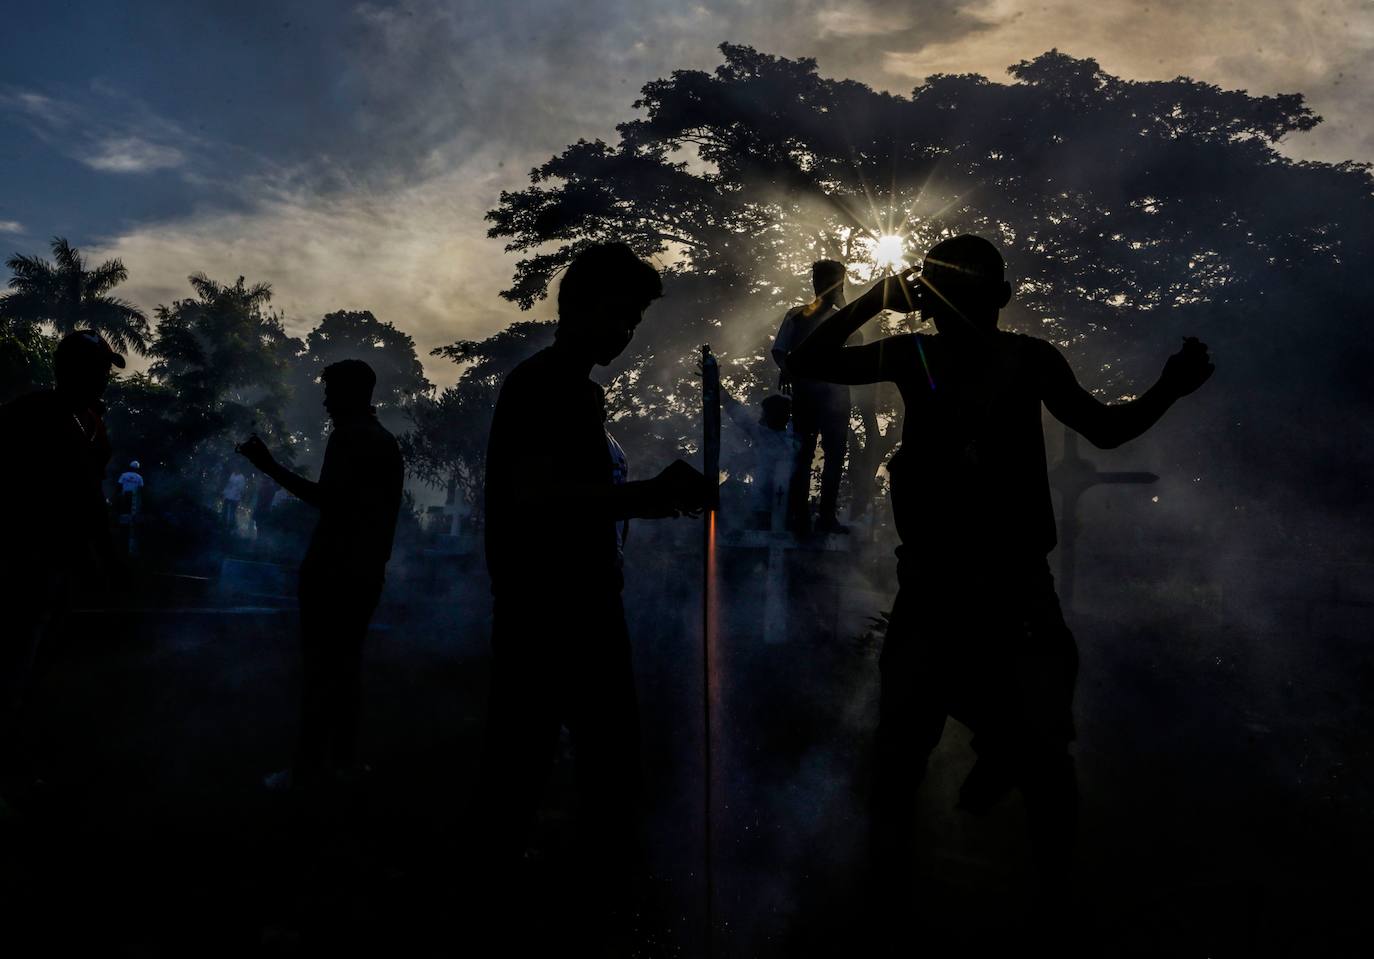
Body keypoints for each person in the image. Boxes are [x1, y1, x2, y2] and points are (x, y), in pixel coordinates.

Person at [786, 235, 1214, 917]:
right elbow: (802, 361)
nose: (945, 305)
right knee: (943, 755)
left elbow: (1102, 430)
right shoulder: (935, 353)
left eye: (950, 290)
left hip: (997, 589)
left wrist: (1168, 387)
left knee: (1009, 757)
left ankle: (1005, 894)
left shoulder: (1000, 358)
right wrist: (873, 297)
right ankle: (907, 895)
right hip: (954, 587)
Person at [477, 242, 707, 934]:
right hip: (556, 609)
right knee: (590, 761)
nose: (623, 333)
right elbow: (537, 496)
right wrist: (653, 496)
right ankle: (586, 904)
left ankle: (527, 894)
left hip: (565, 604)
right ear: (572, 305)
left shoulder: (568, 387)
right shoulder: (553, 386)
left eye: (633, 321)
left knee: (538, 757)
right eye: (615, 315)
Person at [237, 359, 404, 790]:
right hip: (366, 572)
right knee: (346, 669)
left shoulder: (350, 438)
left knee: (320, 672)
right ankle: (344, 763)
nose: (326, 400)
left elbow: (327, 500)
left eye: (331, 391)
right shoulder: (384, 441)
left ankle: (307, 770)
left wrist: (268, 466)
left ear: (351, 393)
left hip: (333, 572)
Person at [0, 330, 125, 801]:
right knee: (14, 660)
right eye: (98, 371)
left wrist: (100, 557)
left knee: (36, 663)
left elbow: (90, 496)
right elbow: (81, 496)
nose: (105, 381)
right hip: (23, 558)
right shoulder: (30, 415)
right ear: (70, 370)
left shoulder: (89, 420)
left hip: (60, 560)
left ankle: (17, 756)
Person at [772, 259, 863, 534]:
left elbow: (857, 339)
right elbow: (779, 350)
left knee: (835, 454)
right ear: (817, 283)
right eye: (833, 281)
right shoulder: (797, 315)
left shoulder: (841, 316)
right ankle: (799, 516)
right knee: (804, 453)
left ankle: (826, 517)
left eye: (839, 281)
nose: (836, 286)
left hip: (837, 394)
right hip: (808, 394)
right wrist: (787, 371)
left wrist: (845, 304)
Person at [722, 391, 798, 529]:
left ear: (769, 415)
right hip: (786, 508)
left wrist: (718, 388)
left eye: (764, 413)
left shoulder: (764, 435)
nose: (761, 416)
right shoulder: (793, 439)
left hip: (764, 507)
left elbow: (739, 415)